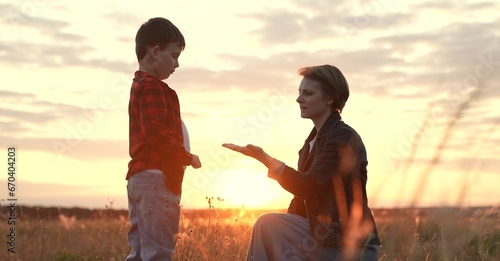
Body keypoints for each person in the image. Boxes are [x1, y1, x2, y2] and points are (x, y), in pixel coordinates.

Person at [223, 64, 380, 260]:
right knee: (272, 230)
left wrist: (265, 159)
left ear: (330, 98)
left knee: (267, 224)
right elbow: (300, 202)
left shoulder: (342, 137)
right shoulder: (310, 144)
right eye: (299, 92)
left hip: (350, 245)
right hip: (324, 240)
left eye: (308, 93)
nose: (299, 99)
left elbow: (309, 186)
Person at [126, 17, 202, 261]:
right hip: (156, 179)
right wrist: (186, 157)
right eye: (174, 56)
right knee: (158, 252)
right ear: (155, 51)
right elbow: (156, 130)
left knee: (140, 252)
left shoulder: (140, 85)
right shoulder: (153, 87)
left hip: (142, 178)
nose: (176, 64)